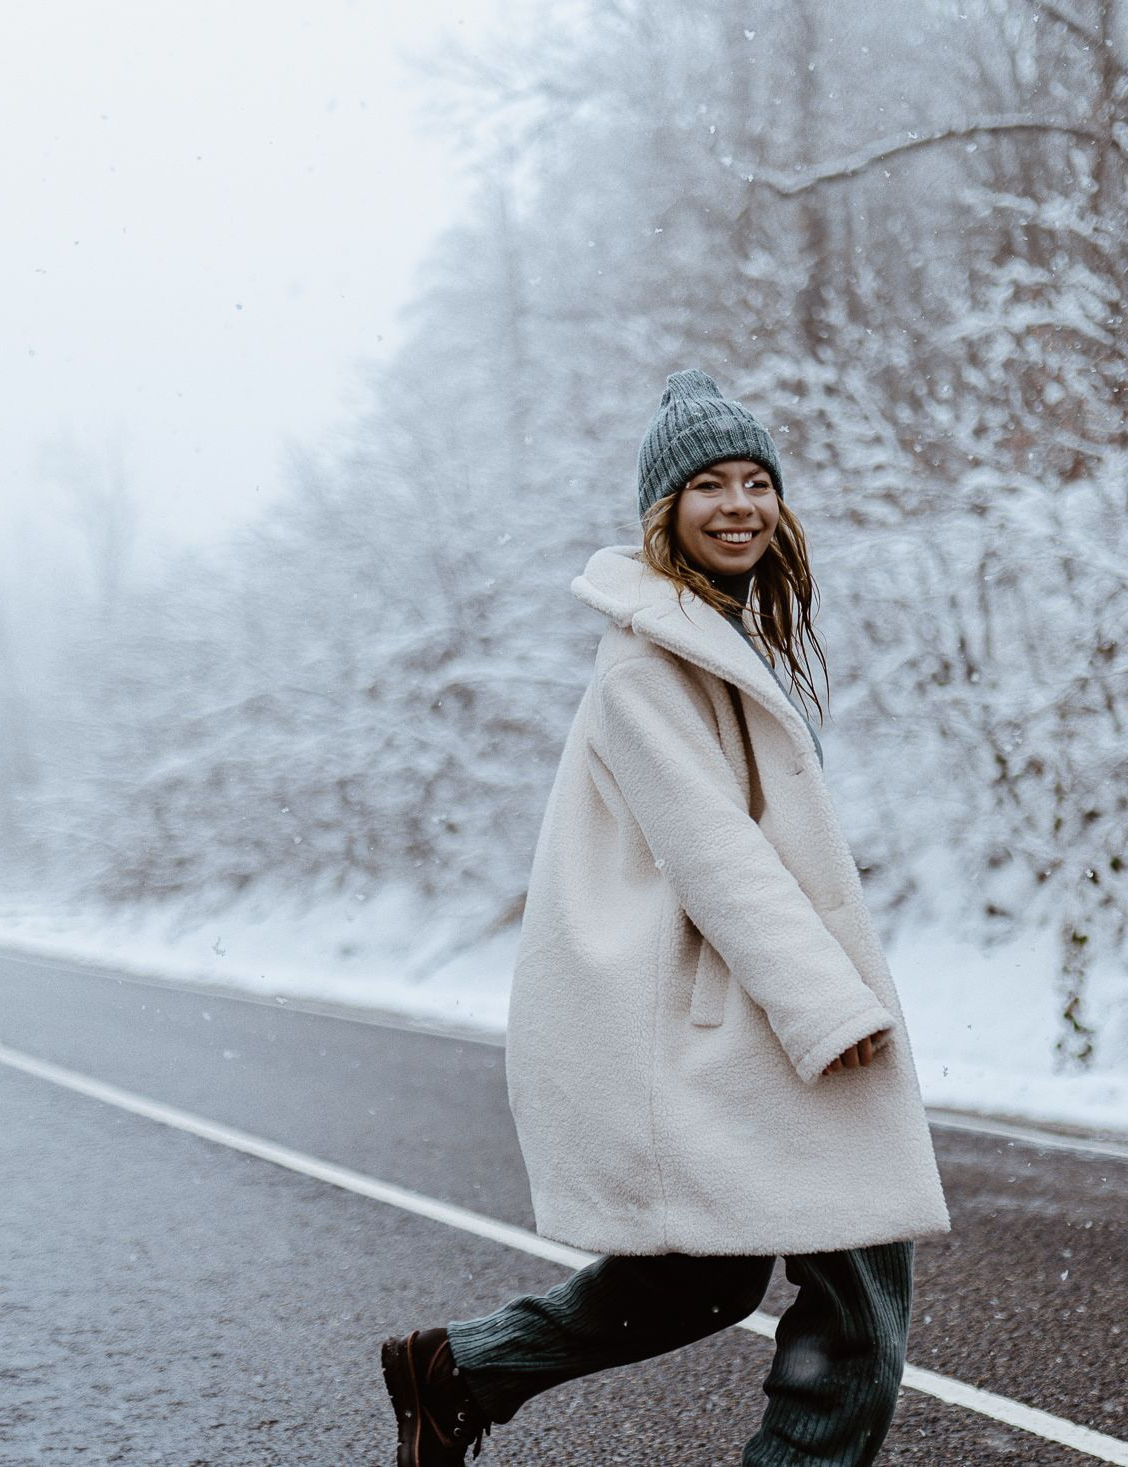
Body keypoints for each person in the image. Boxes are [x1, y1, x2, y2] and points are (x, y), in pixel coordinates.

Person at [378, 369, 951, 1465]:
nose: (738, 505)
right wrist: (826, 1006)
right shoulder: (649, 661)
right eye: (707, 487)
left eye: (755, 482)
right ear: (663, 513)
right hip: (753, 1019)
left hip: (745, 1013)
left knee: (707, 1274)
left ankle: (466, 1370)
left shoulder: (721, 636)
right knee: (858, 1298)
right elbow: (715, 854)